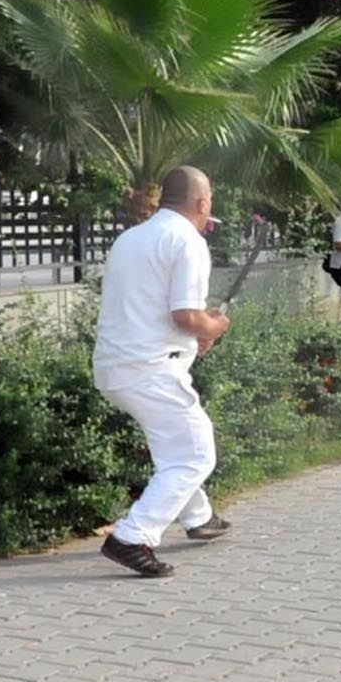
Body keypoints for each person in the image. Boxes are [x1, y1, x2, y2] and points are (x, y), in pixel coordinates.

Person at [93, 166, 232, 578]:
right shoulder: (188, 241)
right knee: (195, 452)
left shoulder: (132, 236)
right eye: (210, 204)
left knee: (173, 443)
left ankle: (199, 517)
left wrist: (194, 333)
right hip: (150, 369)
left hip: (116, 364)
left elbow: (154, 308)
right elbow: (186, 314)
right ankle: (132, 537)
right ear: (202, 203)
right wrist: (213, 326)